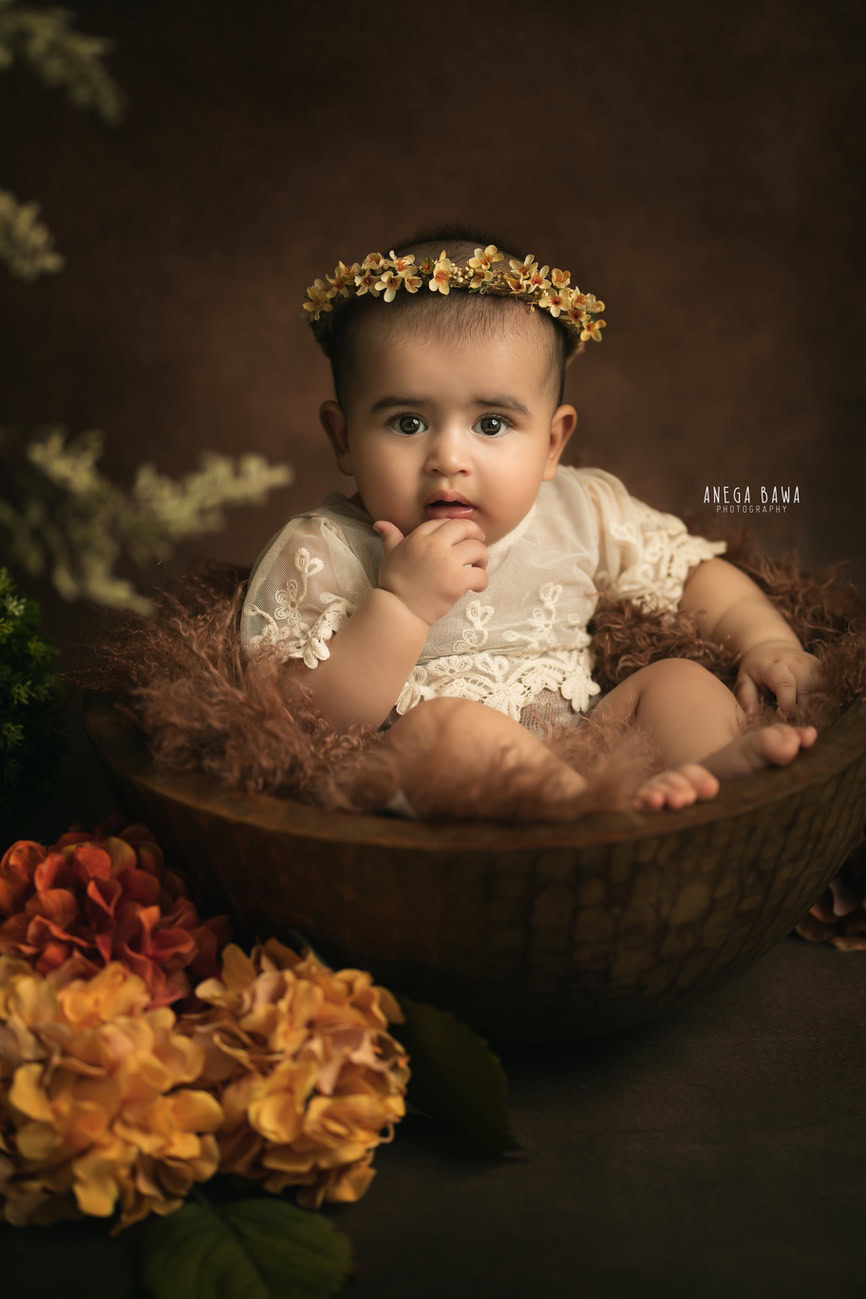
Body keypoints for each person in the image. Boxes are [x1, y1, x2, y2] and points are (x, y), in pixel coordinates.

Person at [240, 222, 820, 820]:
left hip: (590, 754)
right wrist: (402, 606)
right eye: (407, 423)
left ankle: (717, 786)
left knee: (678, 681)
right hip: (447, 787)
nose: (449, 459)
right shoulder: (324, 549)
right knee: (447, 730)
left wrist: (767, 641)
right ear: (343, 439)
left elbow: (694, 576)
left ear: (551, 443)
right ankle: (589, 826)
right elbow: (295, 718)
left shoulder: (579, 511)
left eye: (491, 424)